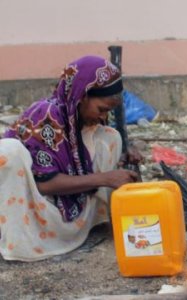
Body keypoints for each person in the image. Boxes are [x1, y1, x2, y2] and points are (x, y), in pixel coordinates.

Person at [0, 55, 140, 261]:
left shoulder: (78, 117)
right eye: (102, 109)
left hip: (66, 201)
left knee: (110, 135)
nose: (103, 117)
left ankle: (96, 222)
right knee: (8, 151)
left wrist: (123, 157)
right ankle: (19, 241)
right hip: (31, 204)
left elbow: (80, 159)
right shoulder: (46, 115)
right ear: (81, 95)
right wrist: (106, 178)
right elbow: (44, 185)